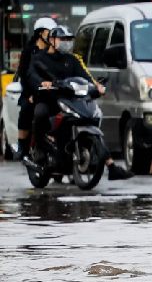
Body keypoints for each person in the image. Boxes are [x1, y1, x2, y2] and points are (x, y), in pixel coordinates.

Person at [29, 27, 133, 180]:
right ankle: (39, 148)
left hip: (70, 100)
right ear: (51, 41)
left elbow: (86, 77)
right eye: (62, 39)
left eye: (68, 40)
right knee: (40, 113)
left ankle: (110, 165)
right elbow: (31, 74)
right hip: (48, 99)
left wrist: (97, 87)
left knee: (90, 119)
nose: (66, 43)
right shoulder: (39, 58)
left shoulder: (73, 59)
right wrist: (42, 83)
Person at [14, 17, 57, 160]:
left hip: (52, 90)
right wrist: (32, 93)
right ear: (40, 33)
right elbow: (25, 74)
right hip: (32, 91)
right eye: (49, 32)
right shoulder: (29, 51)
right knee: (26, 108)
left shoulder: (54, 51)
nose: (52, 36)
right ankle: (23, 146)